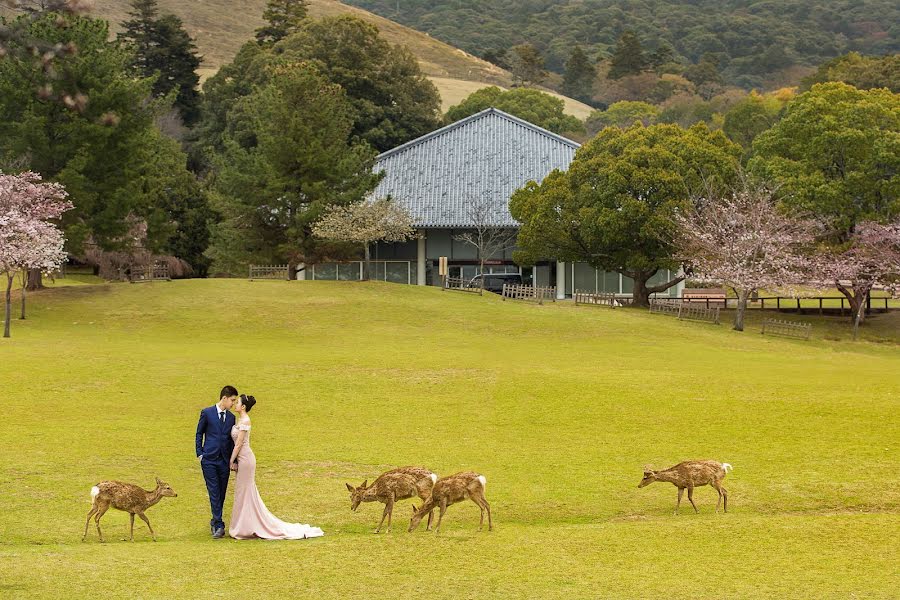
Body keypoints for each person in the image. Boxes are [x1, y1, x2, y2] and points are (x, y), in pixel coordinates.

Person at [228, 394, 324, 540]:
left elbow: (239, 443)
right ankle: (243, 525)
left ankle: (246, 526)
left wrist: (231, 460)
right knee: (243, 492)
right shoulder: (239, 419)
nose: (235, 404)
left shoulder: (246, 420)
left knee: (245, 492)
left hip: (246, 459)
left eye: (238, 402)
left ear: (243, 407)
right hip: (242, 459)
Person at [196, 385, 238, 539]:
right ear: (224, 398)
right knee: (214, 491)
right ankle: (219, 525)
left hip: (224, 461)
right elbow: (199, 433)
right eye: (232, 400)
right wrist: (200, 454)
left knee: (221, 492)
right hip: (209, 460)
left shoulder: (232, 418)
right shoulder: (207, 413)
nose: (233, 404)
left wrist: (234, 460)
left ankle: (214, 521)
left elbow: (232, 441)